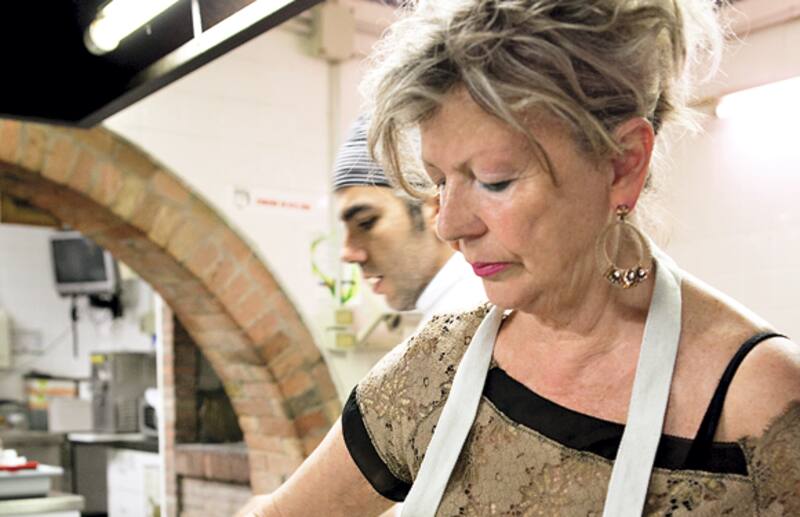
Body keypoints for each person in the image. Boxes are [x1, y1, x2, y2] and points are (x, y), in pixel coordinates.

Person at [237, 1, 800, 515]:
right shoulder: (437, 368)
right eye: (440, 181)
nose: (451, 225)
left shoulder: (761, 402)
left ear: (622, 163)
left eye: (494, 179)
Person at [332, 114, 486, 325]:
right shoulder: (445, 315)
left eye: (366, 222)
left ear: (437, 208)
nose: (348, 253)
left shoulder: (470, 314)